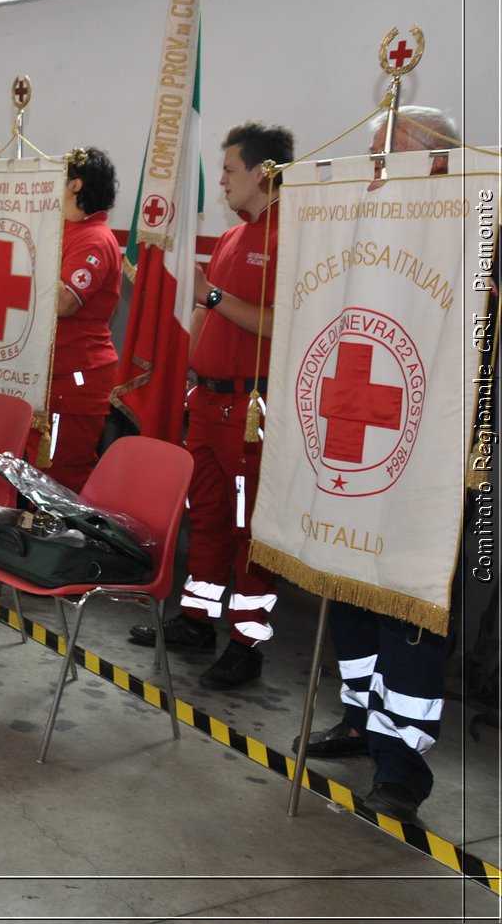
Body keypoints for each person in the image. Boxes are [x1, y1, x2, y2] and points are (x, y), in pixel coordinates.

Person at [293, 105, 461, 825]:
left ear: (434, 160)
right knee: (353, 590)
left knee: (410, 616)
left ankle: (402, 766)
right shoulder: (366, 228)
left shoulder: (478, 228)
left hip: (438, 465)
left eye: (382, 155)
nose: (373, 169)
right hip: (359, 444)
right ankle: (359, 718)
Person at [128, 121, 295, 690]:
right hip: (208, 404)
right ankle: (199, 618)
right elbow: (206, 312)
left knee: (250, 533)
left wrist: (213, 296)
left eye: (229, 170)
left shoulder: (287, 236)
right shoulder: (231, 238)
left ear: (263, 172)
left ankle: (247, 643)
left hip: (251, 414)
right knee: (210, 520)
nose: (221, 180)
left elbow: (280, 323)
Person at [28, 146, 122, 491]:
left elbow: (66, 301)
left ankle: (61, 544)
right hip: (47, 373)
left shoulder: (95, 239)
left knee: (59, 475)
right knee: (32, 472)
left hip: (76, 377)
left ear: (75, 186)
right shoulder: (62, 229)